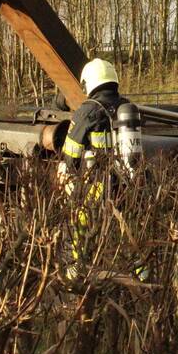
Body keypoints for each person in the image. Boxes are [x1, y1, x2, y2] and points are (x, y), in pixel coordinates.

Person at [59, 59, 131, 276]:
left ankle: (74, 271)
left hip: (96, 183)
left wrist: (68, 175)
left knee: (77, 226)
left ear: (89, 82)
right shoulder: (127, 107)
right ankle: (139, 272)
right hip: (126, 181)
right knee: (127, 230)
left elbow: (71, 153)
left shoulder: (88, 111)